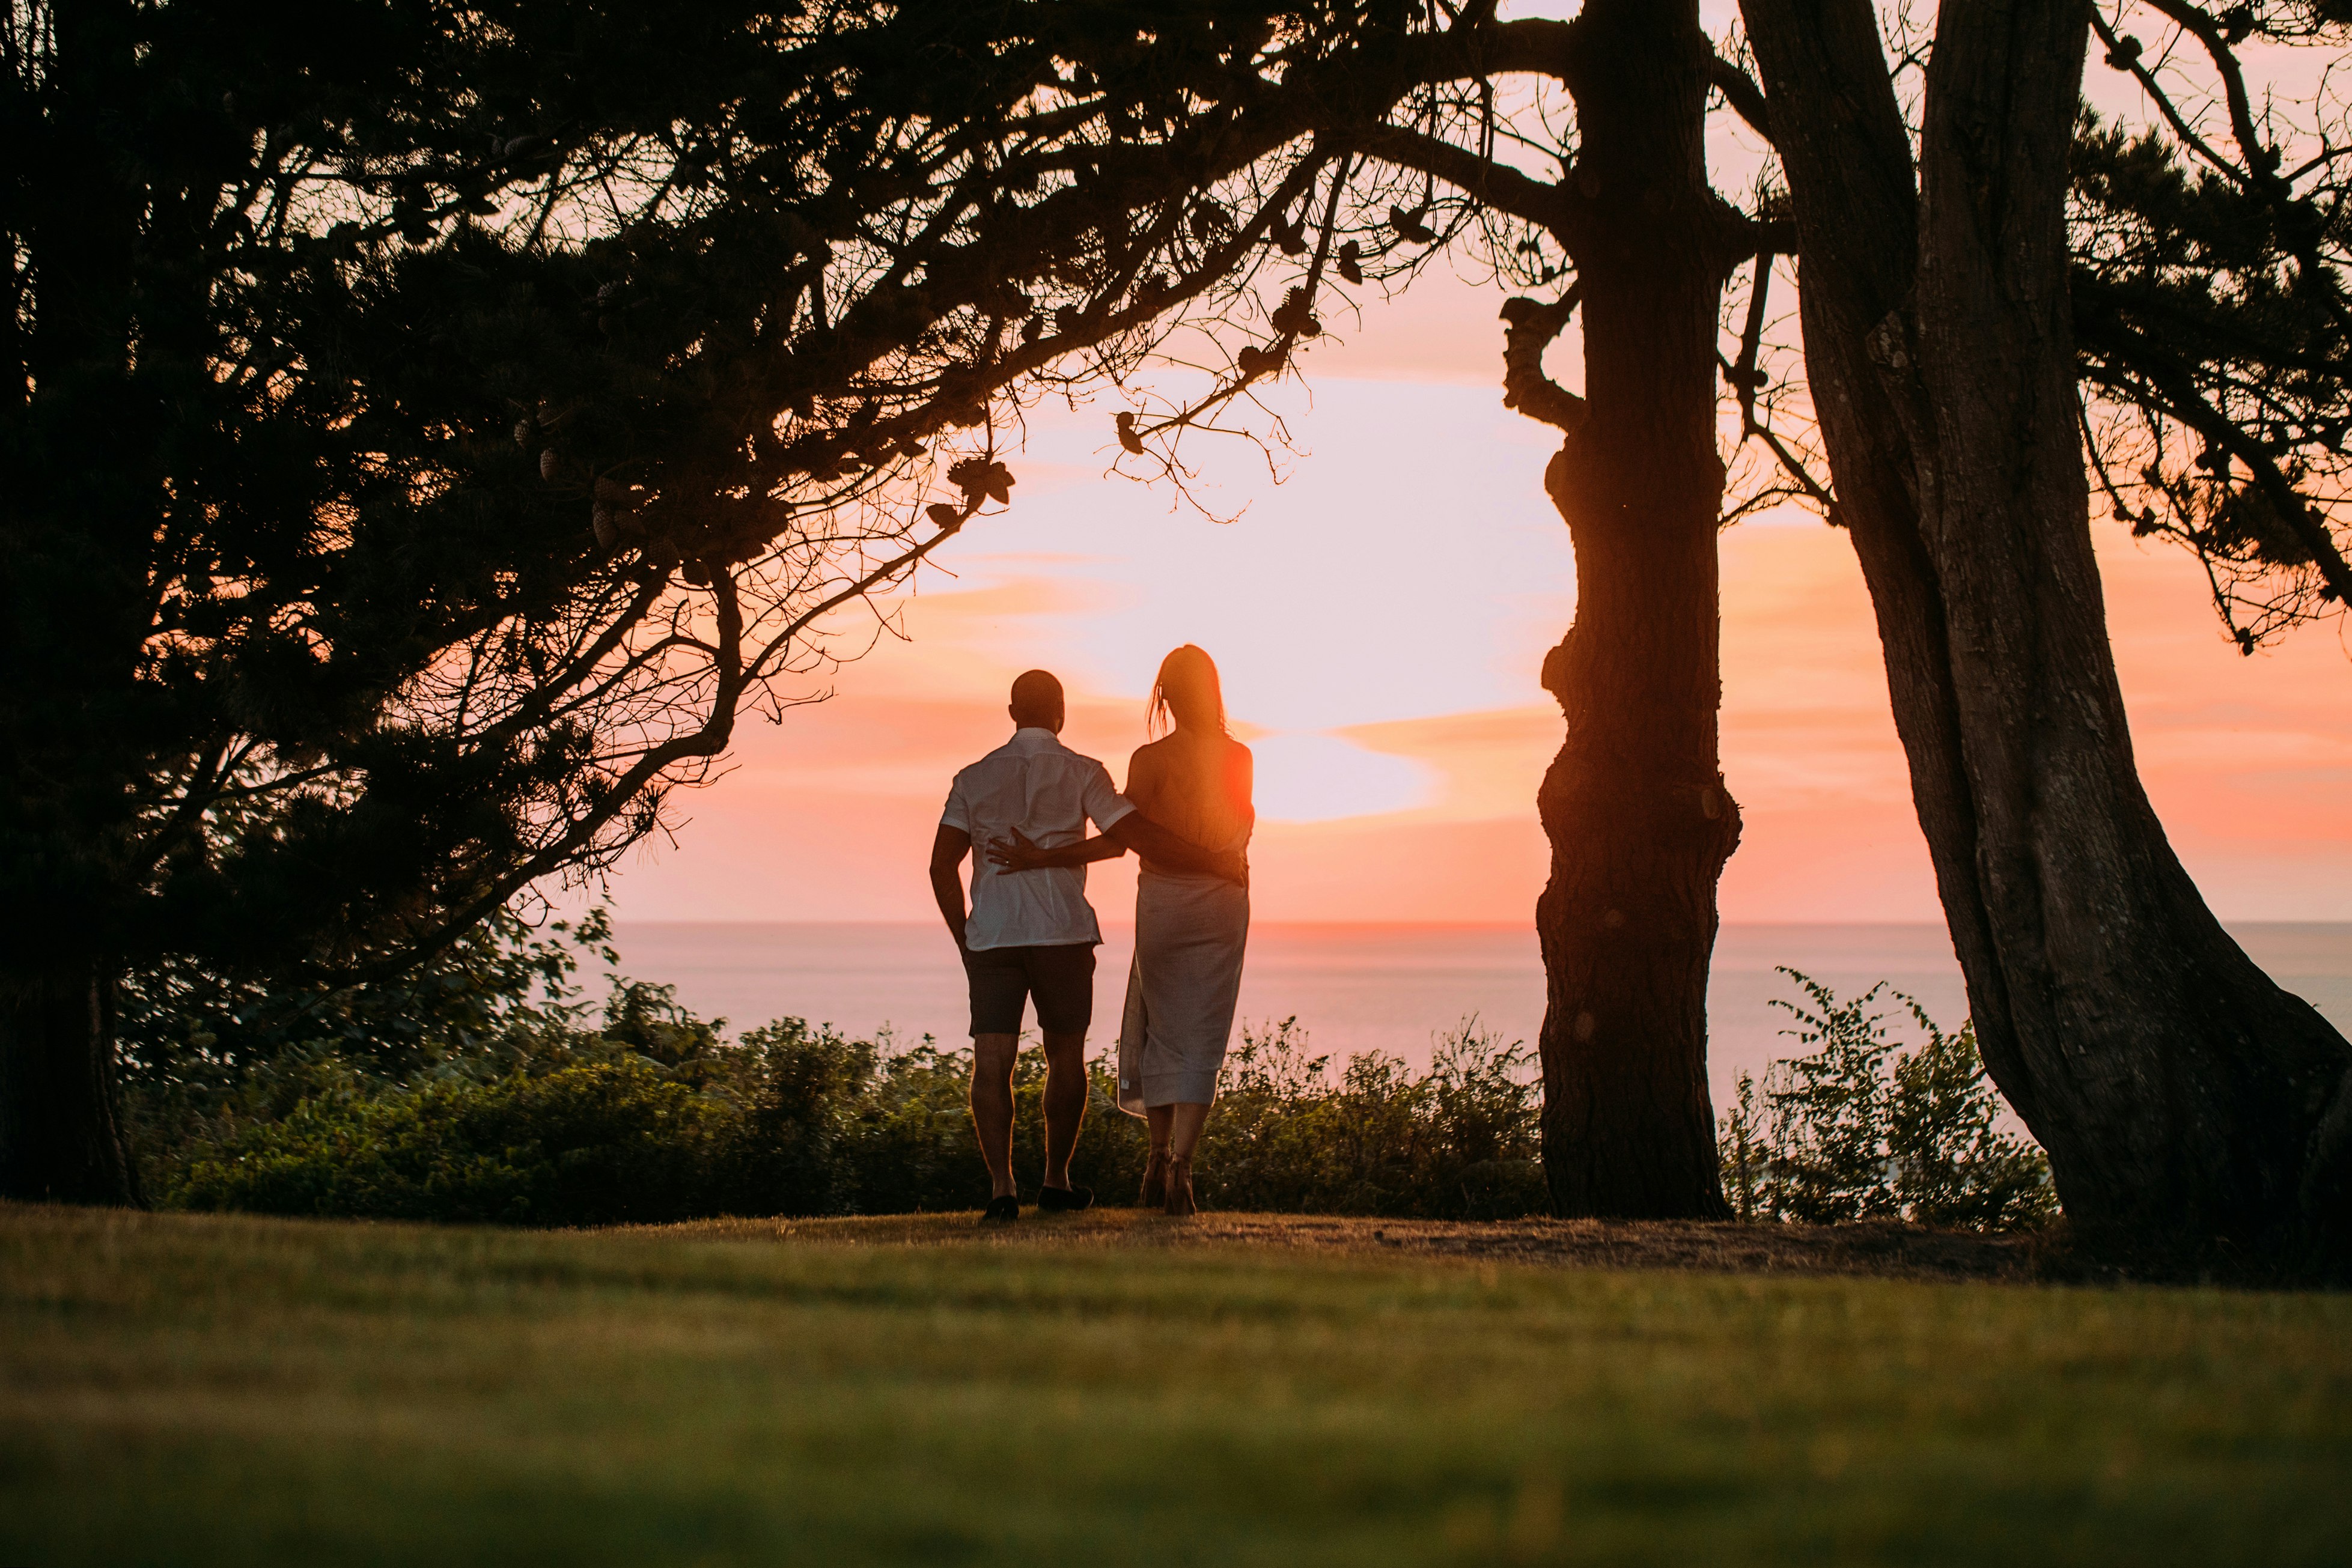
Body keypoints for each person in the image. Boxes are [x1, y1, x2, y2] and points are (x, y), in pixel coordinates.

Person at [928, 669, 1242, 1224]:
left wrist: (965, 938)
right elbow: (1131, 837)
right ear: (1061, 712)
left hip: (994, 938)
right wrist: (1212, 861)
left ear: (1010, 712)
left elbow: (941, 865)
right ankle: (1055, 1181)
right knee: (1065, 1057)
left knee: (992, 1061)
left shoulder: (971, 778)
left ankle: (1002, 1189)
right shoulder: (1083, 772)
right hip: (1063, 935)